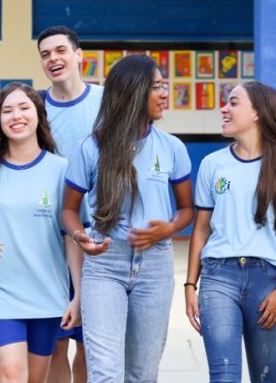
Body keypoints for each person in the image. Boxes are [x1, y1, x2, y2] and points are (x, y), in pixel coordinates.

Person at [61, 54, 194, 383]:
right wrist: (81, 236)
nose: (164, 94)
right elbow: (68, 211)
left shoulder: (173, 148)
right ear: (132, 91)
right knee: (105, 373)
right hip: (105, 264)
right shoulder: (90, 148)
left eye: (165, 85)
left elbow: (187, 210)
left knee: (142, 375)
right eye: (156, 87)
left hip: (155, 268)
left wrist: (169, 228)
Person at [0, 83, 83, 383]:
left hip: (47, 293)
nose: (16, 116)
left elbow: (71, 236)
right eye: (7, 110)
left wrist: (77, 295)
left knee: (35, 379)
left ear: (38, 115)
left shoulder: (62, 170)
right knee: (12, 375)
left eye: (24, 108)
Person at [185, 82, 276, 383]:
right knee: (223, 377)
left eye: (233, 103)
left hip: (268, 279)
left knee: (266, 377)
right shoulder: (213, 164)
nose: (224, 109)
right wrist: (190, 284)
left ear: (258, 114)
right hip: (218, 276)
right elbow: (201, 229)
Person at [37, 26, 104, 383]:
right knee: (56, 343)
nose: (53, 59)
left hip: (99, 238)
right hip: (50, 239)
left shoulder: (107, 101)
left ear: (79, 55)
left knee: (92, 342)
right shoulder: (36, 108)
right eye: (46, 54)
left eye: (60, 51)